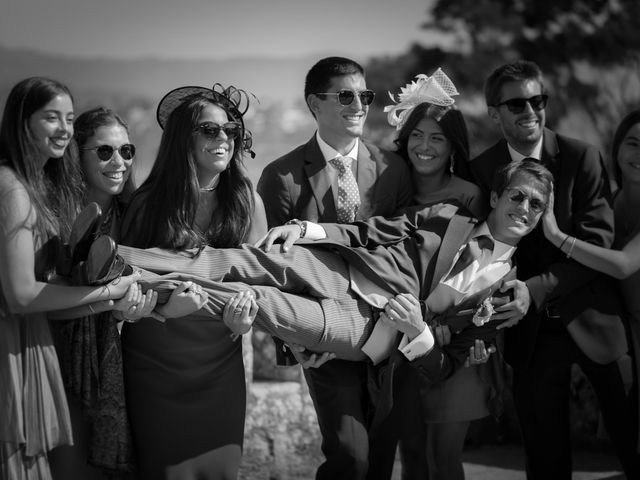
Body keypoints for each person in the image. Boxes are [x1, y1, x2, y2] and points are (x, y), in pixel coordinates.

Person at [118, 159, 550, 410]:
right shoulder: (446, 216)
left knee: (259, 301)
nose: (524, 208)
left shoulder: (507, 297)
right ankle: (121, 259)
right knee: (242, 259)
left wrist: (418, 332)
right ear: (496, 197)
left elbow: (446, 366)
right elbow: (371, 231)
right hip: (342, 270)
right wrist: (307, 230)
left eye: (536, 204)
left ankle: (135, 285)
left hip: (365, 330)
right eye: (518, 196)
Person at [466, 60, 640, 479]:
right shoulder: (478, 171)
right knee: (545, 462)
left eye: (537, 100)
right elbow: (480, 247)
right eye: (517, 104)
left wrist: (535, 289)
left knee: (635, 446)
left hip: (598, 320)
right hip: (530, 335)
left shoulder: (583, 157)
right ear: (495, 113)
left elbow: (597, 243)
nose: (531, 111)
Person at [256, 56, 412, 480]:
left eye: (364, 95)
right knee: (350, 456)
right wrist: (295, 341)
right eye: (346, 95)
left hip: (389, 331)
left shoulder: (394, 169)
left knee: (380, 461)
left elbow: (401, 244)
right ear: (314, 103)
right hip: (325, 337)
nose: (359, 104)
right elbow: (275, 268)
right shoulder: (281, 177)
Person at [118, 82, 267, 480]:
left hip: (221, 363)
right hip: (155, 364)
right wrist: (166, 308)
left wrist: (244, 324)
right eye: (209, 129)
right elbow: (126, 282)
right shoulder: (147, 204)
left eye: (230, 131)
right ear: (184, 137)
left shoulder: (246, 201)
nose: (223, 139)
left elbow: (262, 283)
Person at [46, 107, 204, 479]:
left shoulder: (136, 215)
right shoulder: (54, 217)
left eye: (127, 151)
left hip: (125, 367)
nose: (119, 162)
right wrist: (116, 303)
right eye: (104, 152)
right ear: (75, 156)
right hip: (60, 360)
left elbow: (150, 285)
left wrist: (148, 309)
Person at [0, 77, 140, 479]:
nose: (62, 128)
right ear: (21, 122)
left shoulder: (31, 189)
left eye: (68, 118)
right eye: (51, 118)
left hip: (38, 340)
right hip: (23, 340)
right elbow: (23, 293)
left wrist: (113, 300)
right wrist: (108, 293)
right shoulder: (17, 191)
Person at [383, 69, 499, 480]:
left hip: (453, 343)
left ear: (453, 146)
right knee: (411, 456)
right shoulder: (387, 193)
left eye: (437, 137)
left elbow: (485, 269)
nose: (424, 146)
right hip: (399, 341)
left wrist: (456, 326)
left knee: (444, 461)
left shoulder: (471, 196)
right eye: (416, 135)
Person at [543, 109, 640, 453]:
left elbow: (623, 265)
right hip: (626, 340)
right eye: (633, 143)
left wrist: (556, 236)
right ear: (617, 149)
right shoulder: (611, 201)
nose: (638, 154)